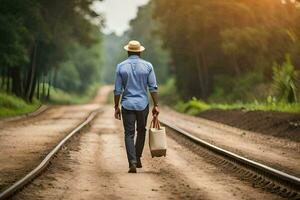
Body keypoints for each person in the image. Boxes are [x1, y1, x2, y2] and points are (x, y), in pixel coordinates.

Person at [114, 40, 159, 173]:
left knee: (129, 134)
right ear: (140, 52)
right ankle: (137, 157)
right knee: (141, 131)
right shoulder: (148, 66)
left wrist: (116, 106)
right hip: (142, 105)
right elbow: (153, 87)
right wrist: (156, 105)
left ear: (128, 52)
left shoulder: (121, 67)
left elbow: (117, 90)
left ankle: (132, 162)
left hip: (127, 104)